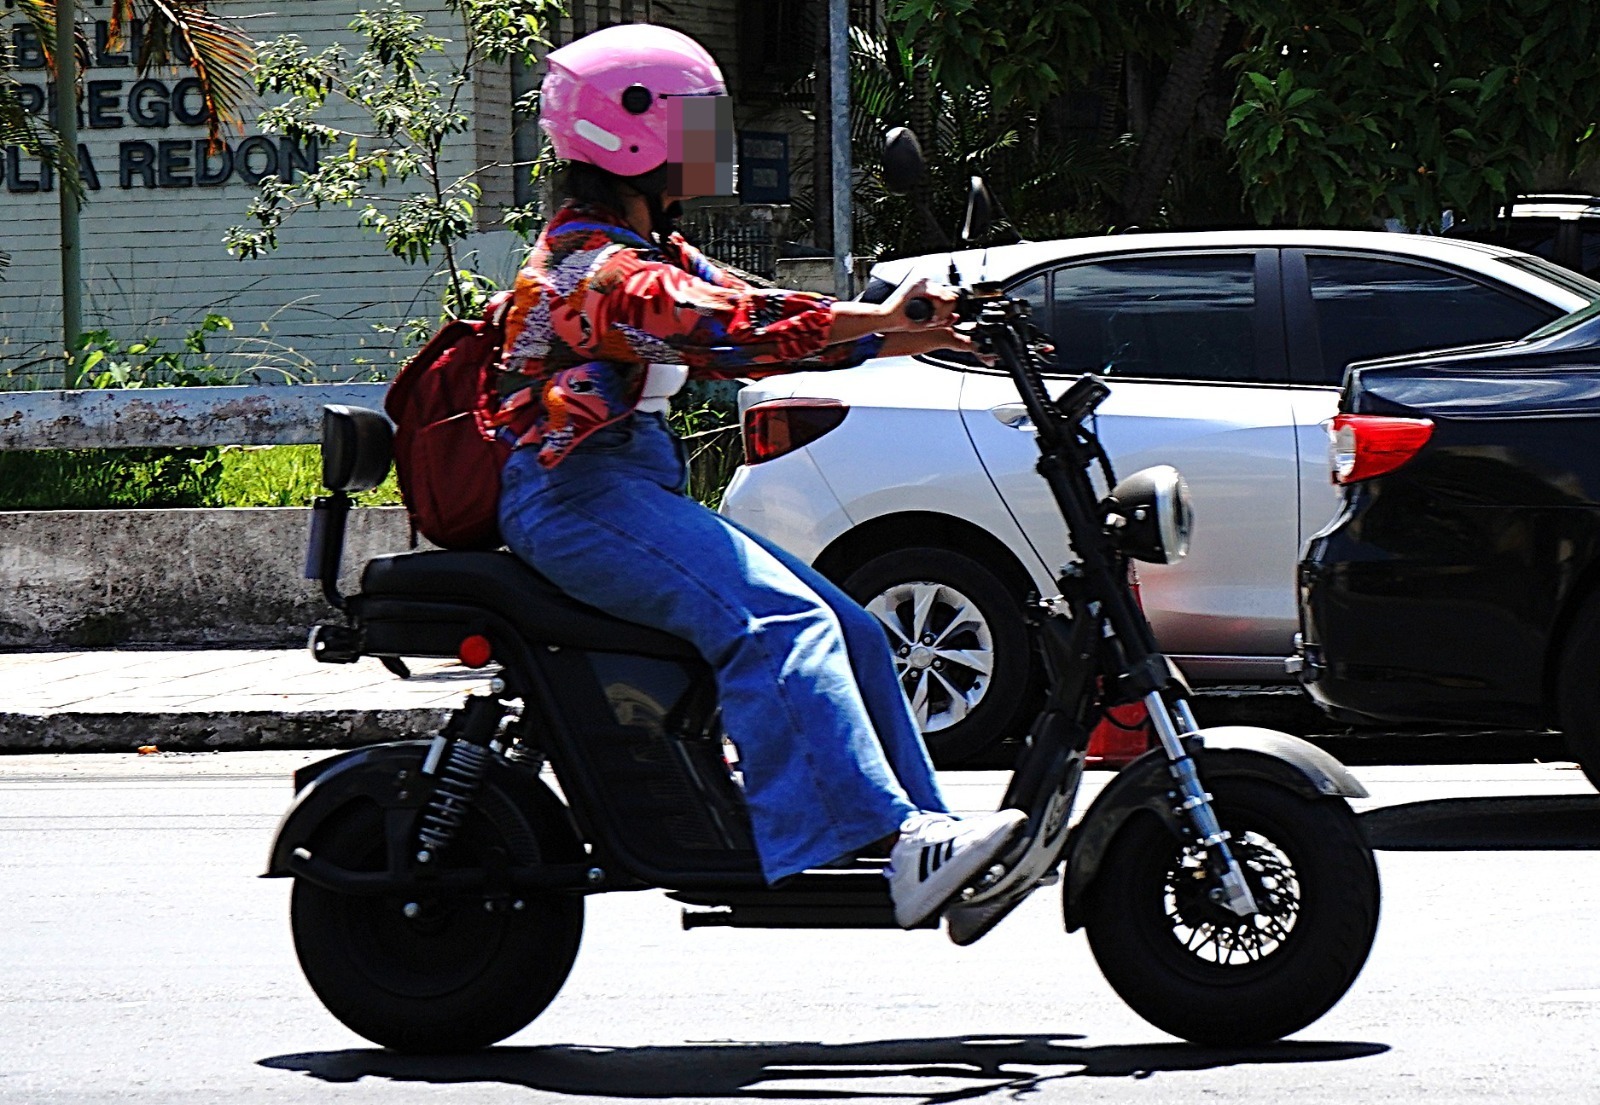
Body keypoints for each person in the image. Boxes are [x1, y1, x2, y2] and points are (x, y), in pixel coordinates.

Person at [493, 22, 1025, 930]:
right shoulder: (595, 268)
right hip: (578, 499)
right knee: (775, 622)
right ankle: (884, 835)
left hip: (628, 489)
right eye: (700, 122)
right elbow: (724, 323)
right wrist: (885, 316)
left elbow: (764, 322)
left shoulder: (649, 246)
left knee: (854, 630)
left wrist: (914, 332)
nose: (717, 143)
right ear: (637, 132)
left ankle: (920, 834)